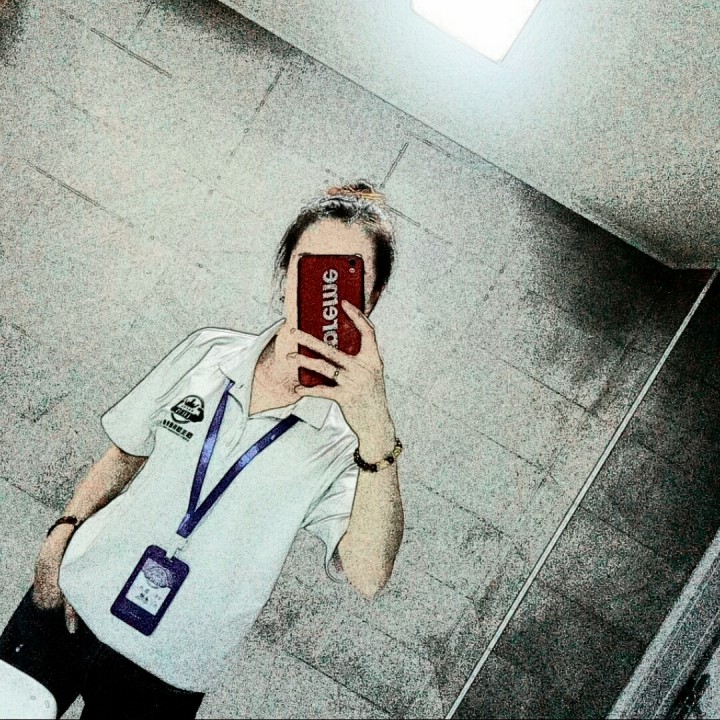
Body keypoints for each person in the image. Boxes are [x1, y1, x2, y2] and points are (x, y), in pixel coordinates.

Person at [0, 182, 405, 719]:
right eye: (312, 269)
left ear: (372, 299)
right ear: (285, 273)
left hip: (169, 668)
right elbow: (125, 455)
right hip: (70, 597)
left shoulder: (351, 438)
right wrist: (60, 536)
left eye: (346, 276)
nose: (325, 293)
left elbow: (369, 574)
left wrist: (376, 428)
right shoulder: (209, 352)